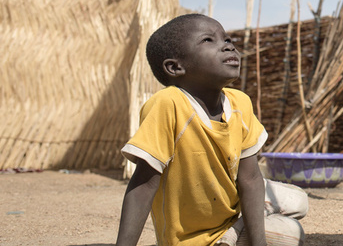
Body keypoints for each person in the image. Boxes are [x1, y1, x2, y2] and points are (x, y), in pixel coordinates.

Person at [114, 14, 308, 246]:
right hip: (190, 238)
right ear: (175, 67)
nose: (228, 46)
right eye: (208, 40)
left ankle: (234, 233)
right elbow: (145, 184)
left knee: (299, 200)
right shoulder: (169, 104)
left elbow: (251, 178)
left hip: (229, 213)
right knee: (293, 234)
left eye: (227, 39)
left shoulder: (240, 103)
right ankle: (227, 239)